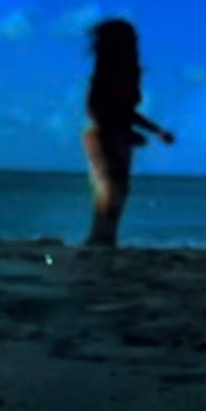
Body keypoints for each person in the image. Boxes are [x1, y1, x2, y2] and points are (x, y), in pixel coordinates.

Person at [81, 18, 175, 247]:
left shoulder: (122, 71)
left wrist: (155, 131)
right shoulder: (110, 70)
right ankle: (100, 239)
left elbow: (123, 110)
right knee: (110, 188)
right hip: (106, 134)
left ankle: (104, 239)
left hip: (115, 134)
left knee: (116, 189)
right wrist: (150, 131)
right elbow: (100, 108)